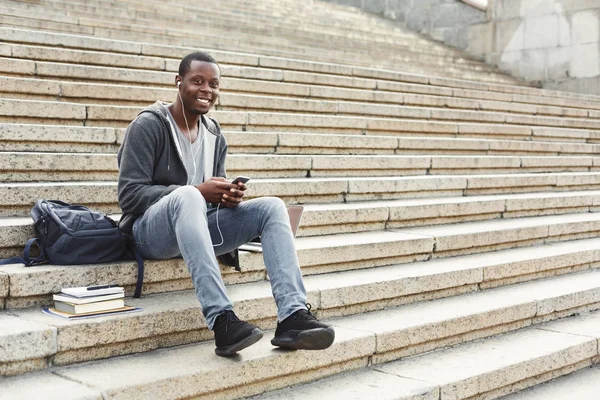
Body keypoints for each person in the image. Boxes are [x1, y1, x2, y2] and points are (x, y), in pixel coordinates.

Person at [117, 51, 335, 357]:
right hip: (150, 233)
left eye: (214, 84)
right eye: (197, 81)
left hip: (198, 226)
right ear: (179, 82)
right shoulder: (149, 125)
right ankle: (222, 321)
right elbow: (129, 195)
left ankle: (293, 317)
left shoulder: (214, 133)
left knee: (272, 206)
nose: (207, 89)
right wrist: (196, 191)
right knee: (188, 195)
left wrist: (225, 197)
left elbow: (206, 200)